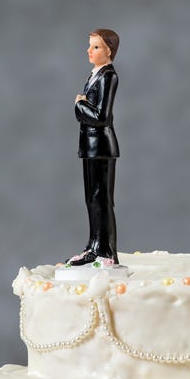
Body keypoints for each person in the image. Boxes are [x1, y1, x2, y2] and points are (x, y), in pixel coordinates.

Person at [67, 29, 120, 266]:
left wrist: (79, 105)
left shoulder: (108, 76)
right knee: (92, 199)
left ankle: (106, 251)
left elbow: (101, 116)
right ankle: (94, 246)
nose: (89, 51)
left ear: (109, 50)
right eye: (90, 46)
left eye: (96, 47)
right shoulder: (94, 74)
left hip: (101, 147)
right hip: (90, 147)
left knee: (101, 199)